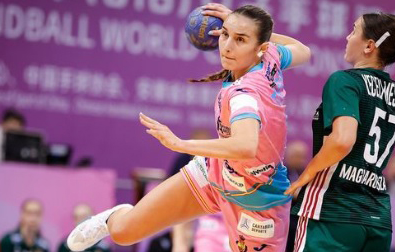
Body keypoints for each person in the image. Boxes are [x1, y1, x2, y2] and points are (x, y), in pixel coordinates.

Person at [66, 3, 311, 252]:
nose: (227, 46)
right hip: (217, 172)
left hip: (259, 200)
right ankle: (115, 216)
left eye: (240, 39)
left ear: (260, 48)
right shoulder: (271, 57)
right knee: (123, 232)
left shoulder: (245, 93)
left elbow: (246, 145)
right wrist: (239, 25)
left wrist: (180, 144)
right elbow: (304, 51)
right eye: (225, 34)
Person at [285, 12, 395, 252]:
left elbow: (343, 140)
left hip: (331, 212)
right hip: (378, 220)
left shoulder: (345, 81)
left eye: (353, 31)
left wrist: (304, 177)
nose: (347, 36)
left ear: (369, 46)